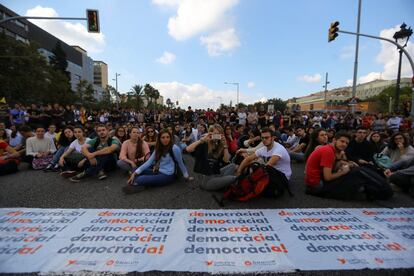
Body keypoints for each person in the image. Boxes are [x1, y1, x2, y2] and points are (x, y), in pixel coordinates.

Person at [123, 129, 192, 194]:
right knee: (134, 170)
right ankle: (141, 183)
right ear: (159, 138)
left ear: (170, 138)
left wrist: (186, 176)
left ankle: (140, 183)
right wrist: (135, 173)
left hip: (167, 175)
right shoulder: (158, 148)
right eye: (163, 137)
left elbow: (181, 163)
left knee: (139, 179)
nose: (166, 139)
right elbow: (149, 162)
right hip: (158, 170)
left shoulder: (174, 148)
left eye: (168, 137)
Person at [305, 132, 362, 199]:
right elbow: (328, 177)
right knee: (349, 176)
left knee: (349, 171)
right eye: (342, 141)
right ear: (334, 140)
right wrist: (342, 172)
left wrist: (346, 163)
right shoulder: (328, 151)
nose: (344, 145)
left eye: (346, 143)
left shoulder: (330, 148)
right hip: (317, 185)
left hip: (313, 180)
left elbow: (336, 164)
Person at [235, 128, 292, 192]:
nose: (264, 140)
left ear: (273, 138)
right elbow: (248, 159)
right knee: (249, 167)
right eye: (262, 138)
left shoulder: (278, 149)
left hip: (282, 177)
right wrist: (238, 171)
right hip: (271, 172)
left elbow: (267, 166)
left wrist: (252, 167)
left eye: (266, 137)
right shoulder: (264, 148)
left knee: (254, 168)